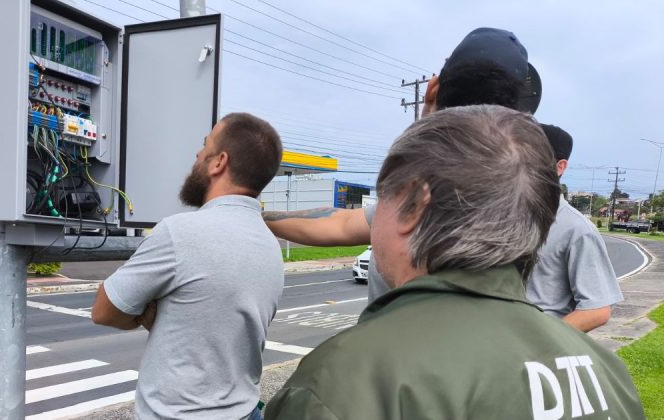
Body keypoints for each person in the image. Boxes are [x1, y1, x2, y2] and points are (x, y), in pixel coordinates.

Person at [264, 105, 644, 420]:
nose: (370, 221)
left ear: (414, 203)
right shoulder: (609, 375)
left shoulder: (344, 382)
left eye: (381, 201)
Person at [263, 27, 542, 303]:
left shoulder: (415, 189)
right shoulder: (530, 203)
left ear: (433, 89)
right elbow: (342, 223)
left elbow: (341, 224)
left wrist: (252, 213)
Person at [92, 112, 284, 420]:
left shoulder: (179, 233)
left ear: (219, 162)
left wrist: (144, 314)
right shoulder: (271, 245)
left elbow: (104, 311)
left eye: (204, 145)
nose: (197, 154)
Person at [527, 124, 623, 331]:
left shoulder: (577, 229)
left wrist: (540, 343)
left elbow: (596, 310)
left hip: (540, 352)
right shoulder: (501, 219)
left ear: (559, 167)